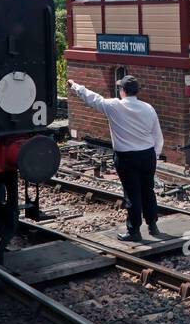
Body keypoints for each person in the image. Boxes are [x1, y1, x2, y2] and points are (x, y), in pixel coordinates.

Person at [67, 74, 163, 242]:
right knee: (148, 191)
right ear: (136, 91)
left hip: (126, 157)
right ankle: (153, 226)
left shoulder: (114, 106)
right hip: (147, 155)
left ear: (122, 91)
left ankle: (134, 231)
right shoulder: (148, 108)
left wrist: (75, 85)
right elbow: (158, 137)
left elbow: (92, 98)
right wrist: (153, 156)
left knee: (132, 194)